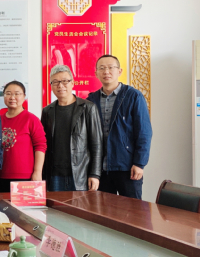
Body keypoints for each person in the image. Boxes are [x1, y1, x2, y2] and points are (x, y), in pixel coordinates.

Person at [87, 55, 152, 199]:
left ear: (119, 71)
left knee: (132, 209)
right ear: (96, 73)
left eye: (111, 67)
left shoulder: (133, 96)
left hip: (127, 166)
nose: (106, 71)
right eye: (102, 68)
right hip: (100, 169)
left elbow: (144, 132)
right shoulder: (91, 100)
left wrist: (139, 163)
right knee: (102, 209)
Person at [41, 65, 102, 191]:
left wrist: (95, 174)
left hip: (80, 174)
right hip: (54, 175)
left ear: (72, 83)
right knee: (55, 204)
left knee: (80, 205)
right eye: (55, 82)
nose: (60, 85)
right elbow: (43, 144)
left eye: (65, 81)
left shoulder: (88, 108)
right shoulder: (47, 111)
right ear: (51, 85)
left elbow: (97, 144)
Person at [0, 81, 47, 193]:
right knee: (2, 204)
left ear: (24, 96)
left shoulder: (31, 119)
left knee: (24, 205)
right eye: (8, 93)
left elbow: (40, 146)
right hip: (1, 175)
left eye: (17, 94)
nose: (12, 97)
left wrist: (37, 172)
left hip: (25, 177)